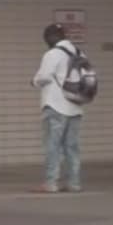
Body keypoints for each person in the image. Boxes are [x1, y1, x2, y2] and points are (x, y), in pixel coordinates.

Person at [31, 24, 83, 193]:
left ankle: (51, 182)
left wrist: (34, 81)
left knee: (53, 145)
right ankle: (74, 182)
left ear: (52, 37)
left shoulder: (52, 54)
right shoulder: (79, 52)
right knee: (72, 147)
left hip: (55, 105)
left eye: (47, 37)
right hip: (75, 106)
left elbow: (44, 76)